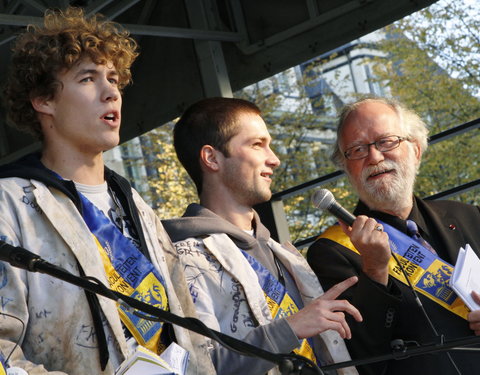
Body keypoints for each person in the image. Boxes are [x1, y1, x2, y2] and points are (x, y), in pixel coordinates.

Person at [0, 7, 215, 375]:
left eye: (114, 79)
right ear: (43, 100)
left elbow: (189, 336)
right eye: (88, 79)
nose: (111, 93)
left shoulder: (136, 205)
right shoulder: (10, 203)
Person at [162, 97, 363, 375]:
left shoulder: (284, 253)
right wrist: (289, 329)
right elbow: (200, 368)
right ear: (211, 158)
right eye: (257, 144)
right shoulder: (182, 258)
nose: (274, 159)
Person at [307, 96, 480, 375]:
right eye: (357, 150)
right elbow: (362, 357)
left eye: (387, 142)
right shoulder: (332, 251)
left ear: (416, 150)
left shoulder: (468, 217)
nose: (374, 157)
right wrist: (375, 271)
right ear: (346, 168)